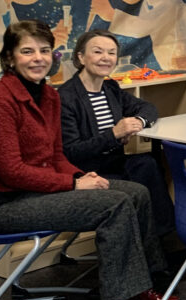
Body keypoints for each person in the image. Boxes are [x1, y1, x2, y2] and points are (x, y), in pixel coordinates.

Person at [0, 20, 178, 300]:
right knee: (116, 205)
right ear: (9, 57)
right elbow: (12, 171)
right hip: (4, 205)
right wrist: (74, 183)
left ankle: (140, 285)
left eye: (44, 51)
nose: (38, 58)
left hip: (39, 192)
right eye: (27, 51)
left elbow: (55, 156)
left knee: (136, 192)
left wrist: (81, 175)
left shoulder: (48, 97)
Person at [58, 29, 175, 236]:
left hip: (113, 161)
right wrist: (114, 134)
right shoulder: (66, 97)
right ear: (81, 57)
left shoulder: (110, 88)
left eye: (111, 53)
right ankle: (155, 239)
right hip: (86, 171)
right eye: (98, 52)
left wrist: (137, 121)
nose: (106, 58)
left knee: (148, 163)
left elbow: (148, 108)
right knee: (143, 176)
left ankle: (164, 234)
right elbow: (72, 151)